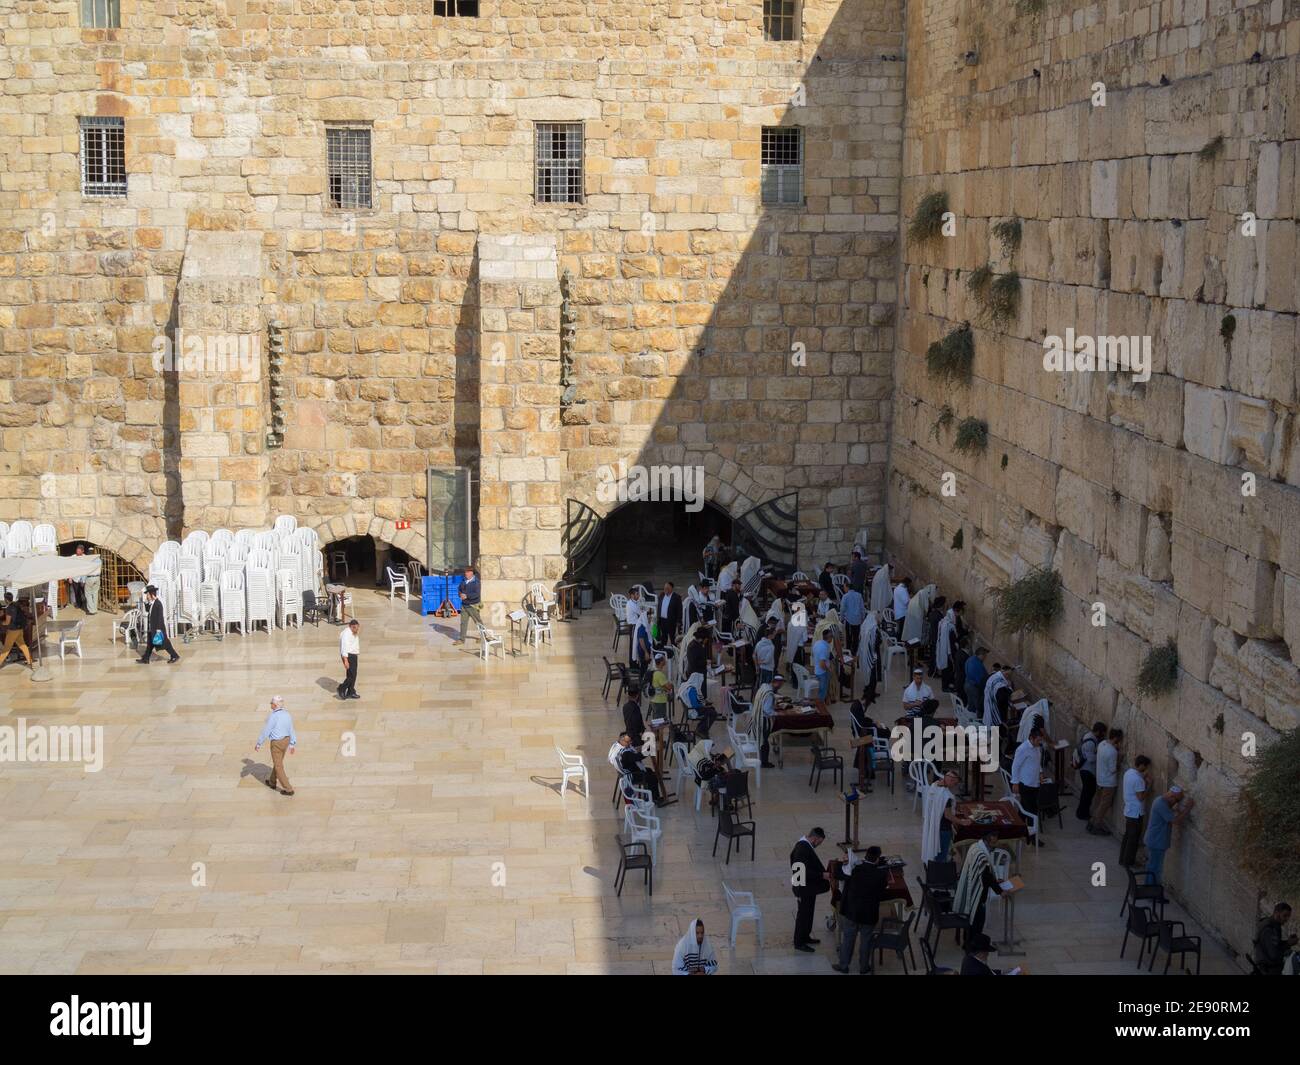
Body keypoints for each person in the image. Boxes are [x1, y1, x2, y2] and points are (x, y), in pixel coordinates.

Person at [832, 845, 889, 974]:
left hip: (852, 912)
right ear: (877, 859)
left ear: (865, 856)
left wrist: (843, 861)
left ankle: (844, 965)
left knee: (848, 939)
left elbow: (837, 873)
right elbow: (882, 892)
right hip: (869, 914)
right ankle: (864, 967)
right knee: (866, 941)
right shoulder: (881, 875)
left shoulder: (855, 869)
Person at [953, 837, 1005, 937]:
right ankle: (973, 948)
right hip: (977, 895)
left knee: (971, 923)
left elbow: (984, 873)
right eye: (995, 840)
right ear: (989, 840)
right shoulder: (981, 855)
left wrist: (995, 881)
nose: (997, 842)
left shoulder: (975, 846)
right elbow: (986, 876)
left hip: (971, 889)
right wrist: (1000, 891)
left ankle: (968, 944)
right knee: (977, 923)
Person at [1143, 784, 1193, 883]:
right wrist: (1188, 808)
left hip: (1154, 840)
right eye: (1177, 800)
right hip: (1156, 841)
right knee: (1155, 868)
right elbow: (1175, 821)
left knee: (1152, 866)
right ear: (1171, 796)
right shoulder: (1161, 804)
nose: (1176, 803)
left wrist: (1176, 809)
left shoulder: (1160, 801)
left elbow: (1170, 812)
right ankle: (1152, 891)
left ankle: (1149, 888)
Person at [790, 827, 829, 952]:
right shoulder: (802, 849)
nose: (818, 845)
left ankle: (805, 936)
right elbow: (801, 871)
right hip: (803, 888)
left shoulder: (805, 846)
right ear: (814, 838)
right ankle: (799, 942)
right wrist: (821, 875)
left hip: (808, 887)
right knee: (803, 915)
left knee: (809, 913)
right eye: (819, 842)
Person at [254, 695, 297, 795]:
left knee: (278, 766)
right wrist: (292, 744)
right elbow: (291, 729)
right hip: (286, 741)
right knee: (278, 762)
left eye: (271, 703)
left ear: (275, 705)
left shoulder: (273, 716)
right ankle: (272, 782)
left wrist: (259, 743)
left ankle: (288, 789)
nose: (270, 704)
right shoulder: (287, 714)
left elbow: (266, 731)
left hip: (277, 743)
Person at [1010, 726, 1045, 843]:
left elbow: (1036, 761)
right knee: (1032, 812)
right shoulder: (1023, 749)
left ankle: (1016, 831)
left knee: (1024, 810)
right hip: (1026, 784)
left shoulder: (1037, 748)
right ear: (1031, 738)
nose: (1040, 743)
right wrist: (1015, 783)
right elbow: (1015, 766)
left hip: (1034, 783)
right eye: (1038, 740)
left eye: (1041, 740)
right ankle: (1032, 838)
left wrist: (1040, 773)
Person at [614, 731, 666, 805]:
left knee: (649, 770)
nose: (630, 743)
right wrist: (649, 750)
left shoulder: (617, 747)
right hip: (631, 775)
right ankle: (654, 799)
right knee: (652, 777)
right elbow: (637, 757)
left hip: (624, 772)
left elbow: (634, 753)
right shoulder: (625, 753)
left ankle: (649, 796)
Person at [1118, 754, 1152, 867]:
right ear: (1141, 765)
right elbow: (1141, 797)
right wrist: (1149, 786)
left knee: (1127, 836)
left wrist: (1143, 777)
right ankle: (1129, 862)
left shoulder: (1129, 773)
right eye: (1146, 766)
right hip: (1136, 813)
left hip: (1129, 810)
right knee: (1133, 839)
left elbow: (1136, 780)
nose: (1147, 769)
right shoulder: (1138, 780)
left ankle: (1123, 859)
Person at [1088, 727, 1123, 835]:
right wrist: (1120, 759)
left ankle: (1092, 821)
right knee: (1104, 805)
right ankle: (1096, 825)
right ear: (1116, 739)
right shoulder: (1112, 752)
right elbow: (1113, 770)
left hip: (1100, 779)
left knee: (1098, 802)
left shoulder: (1102, 744)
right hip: (1108, 782)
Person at [136, 585, 180, 664]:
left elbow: (160, 617)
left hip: (157, 629)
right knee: (150, 644)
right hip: (152, 628)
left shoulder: (158, 604)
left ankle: (175, 655)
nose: (147, 596)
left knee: (165, 644)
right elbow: (147, 609)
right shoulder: (152, 603)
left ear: (152, 594)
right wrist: (146, 601)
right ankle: (146, 659)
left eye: (148, 595)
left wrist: (158, 630)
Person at [1074, 721, 1106, 822]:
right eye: (1102, 732)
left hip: (1086, 771)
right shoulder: (1090, 742)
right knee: (1087, 793)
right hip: (1087, 771)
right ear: (1098, 731)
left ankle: (1082, 812)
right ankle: (1082, 813)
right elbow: (1091, 758)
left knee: (1087, 793)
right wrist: (1101, 755)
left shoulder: (1089, 736)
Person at [1253, 903, 1297, 975]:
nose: (1286, 919)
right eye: (1285, 916)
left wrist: (1288, 942)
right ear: (1276, 913)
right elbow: (1274, 955)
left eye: (1288, 916)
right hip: (1266, 970)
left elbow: (1276, 945)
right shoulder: (1269, 930)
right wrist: (1288, 944)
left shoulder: (1275, 925)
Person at [755, 673, 784, 768]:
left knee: (763, 740)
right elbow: (767, 710)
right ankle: (764, 762)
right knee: (764, 741)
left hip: (756, 716)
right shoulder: (769, 694)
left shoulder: (764, 686)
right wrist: (777, 713)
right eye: (780, 685)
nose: (779, 688)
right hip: (763, 719)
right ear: (776, 683)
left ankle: (763, 760)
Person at [0, 592, 34, 670]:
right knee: (22, 645)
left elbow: (7, 622)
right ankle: (29, 661)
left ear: (6, 599)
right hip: (19, 629)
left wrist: (2, 622)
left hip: (12, 631)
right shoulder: (16, 605)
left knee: (6, 648)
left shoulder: (9, 608)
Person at [455, 566, 482, 644]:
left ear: (471, 573)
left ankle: (483, 637)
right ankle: (461, 639)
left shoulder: (476, 582)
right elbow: (459, 589)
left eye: (467, 572)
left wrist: (467, 596)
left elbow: (476, 594)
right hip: (464, 605)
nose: (465, 573)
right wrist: (460, 594)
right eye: (465, 572)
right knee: (463, 622)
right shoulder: (464, 580)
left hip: (473, 605)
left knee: (478, 622)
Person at [982, 663, 1012, 727]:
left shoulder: (994, 676)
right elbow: (1002, 699)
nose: (1008, 677)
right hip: (993, 707)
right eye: (1007, 674)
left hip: (988, 702)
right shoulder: (999, 683)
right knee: (994, 726)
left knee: (988, 722)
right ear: (1003, 672)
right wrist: (1009, 688)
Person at [337, 618, 361, 700]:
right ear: (350, 626)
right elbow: (344, 647)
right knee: (352, 675)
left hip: (353, 655)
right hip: (348, 656)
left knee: (352, 675)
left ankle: (351, 691)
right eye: (354, 628)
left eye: (357, 628)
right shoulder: (346, 634)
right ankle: (342, 688)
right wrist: (346, 660)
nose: (356, 630)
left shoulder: (353, 632)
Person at [810, 630, 832, 712]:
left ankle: (818, 705)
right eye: (831, 637)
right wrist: (828, 669)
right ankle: (820, 708)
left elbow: (813, 654)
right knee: (822, 691)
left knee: (819, 690)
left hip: (817, 670)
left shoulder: (818, 643)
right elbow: (822, 664)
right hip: (823, 672)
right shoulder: (824, 648)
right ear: (829, 638)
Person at [839, 583, 865, 652]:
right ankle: (855, 652)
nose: (844, 589)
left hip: (849, 619)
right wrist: (863, 617)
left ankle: (849, 651)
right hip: (858, 619)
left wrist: (841, 618)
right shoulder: (859, 595)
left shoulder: (845, 596)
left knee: (849, 637)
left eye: (844, 587)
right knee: (856, 637)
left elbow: (842, 609)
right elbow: (862, 608)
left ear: (847, 587)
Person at [964, 646, 989, 716]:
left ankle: (969, 720)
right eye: (985, 655)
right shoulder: (977, 664)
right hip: (973, 687)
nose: (986, 657)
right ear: (981, 655)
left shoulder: (971, 659)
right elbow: (980, 681)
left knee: (971, 705)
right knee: (978, 707)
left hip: (967, 684)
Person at [647, 653, 671, 721]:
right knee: (660, 722)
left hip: (654, 699)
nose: (665, 661)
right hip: (659, 701)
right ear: (661, 662)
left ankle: (657, 731)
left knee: (656, 720)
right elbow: (669, 687)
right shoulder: (660, 674)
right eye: (664, 659)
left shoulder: (653, 671)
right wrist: (670, 685)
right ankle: (658, 732)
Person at [658, 581, 682, 646]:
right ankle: (664, 651)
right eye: (665, 587)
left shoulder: (677, 597)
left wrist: (678, 621)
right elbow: (659, 607)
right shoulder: (661, 595)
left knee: (673, 638)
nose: (665, 589)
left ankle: (674, 652)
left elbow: (680, 610)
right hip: (662, 620)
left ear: (671, 588)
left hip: (672, 621)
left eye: (667, 587)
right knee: (663, 637)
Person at [69, 544, 90, 611]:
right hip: (75, 578)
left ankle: (87, 605)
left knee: (85, 592)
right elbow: (69, 568)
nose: (77, 552)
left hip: (83, 579)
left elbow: (87, 568)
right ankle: (79, 604)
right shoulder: (73, 557)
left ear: (82, 551)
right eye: (77, 550)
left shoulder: (85, 558)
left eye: (79, 550)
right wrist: (70, 577)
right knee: (76, 592)